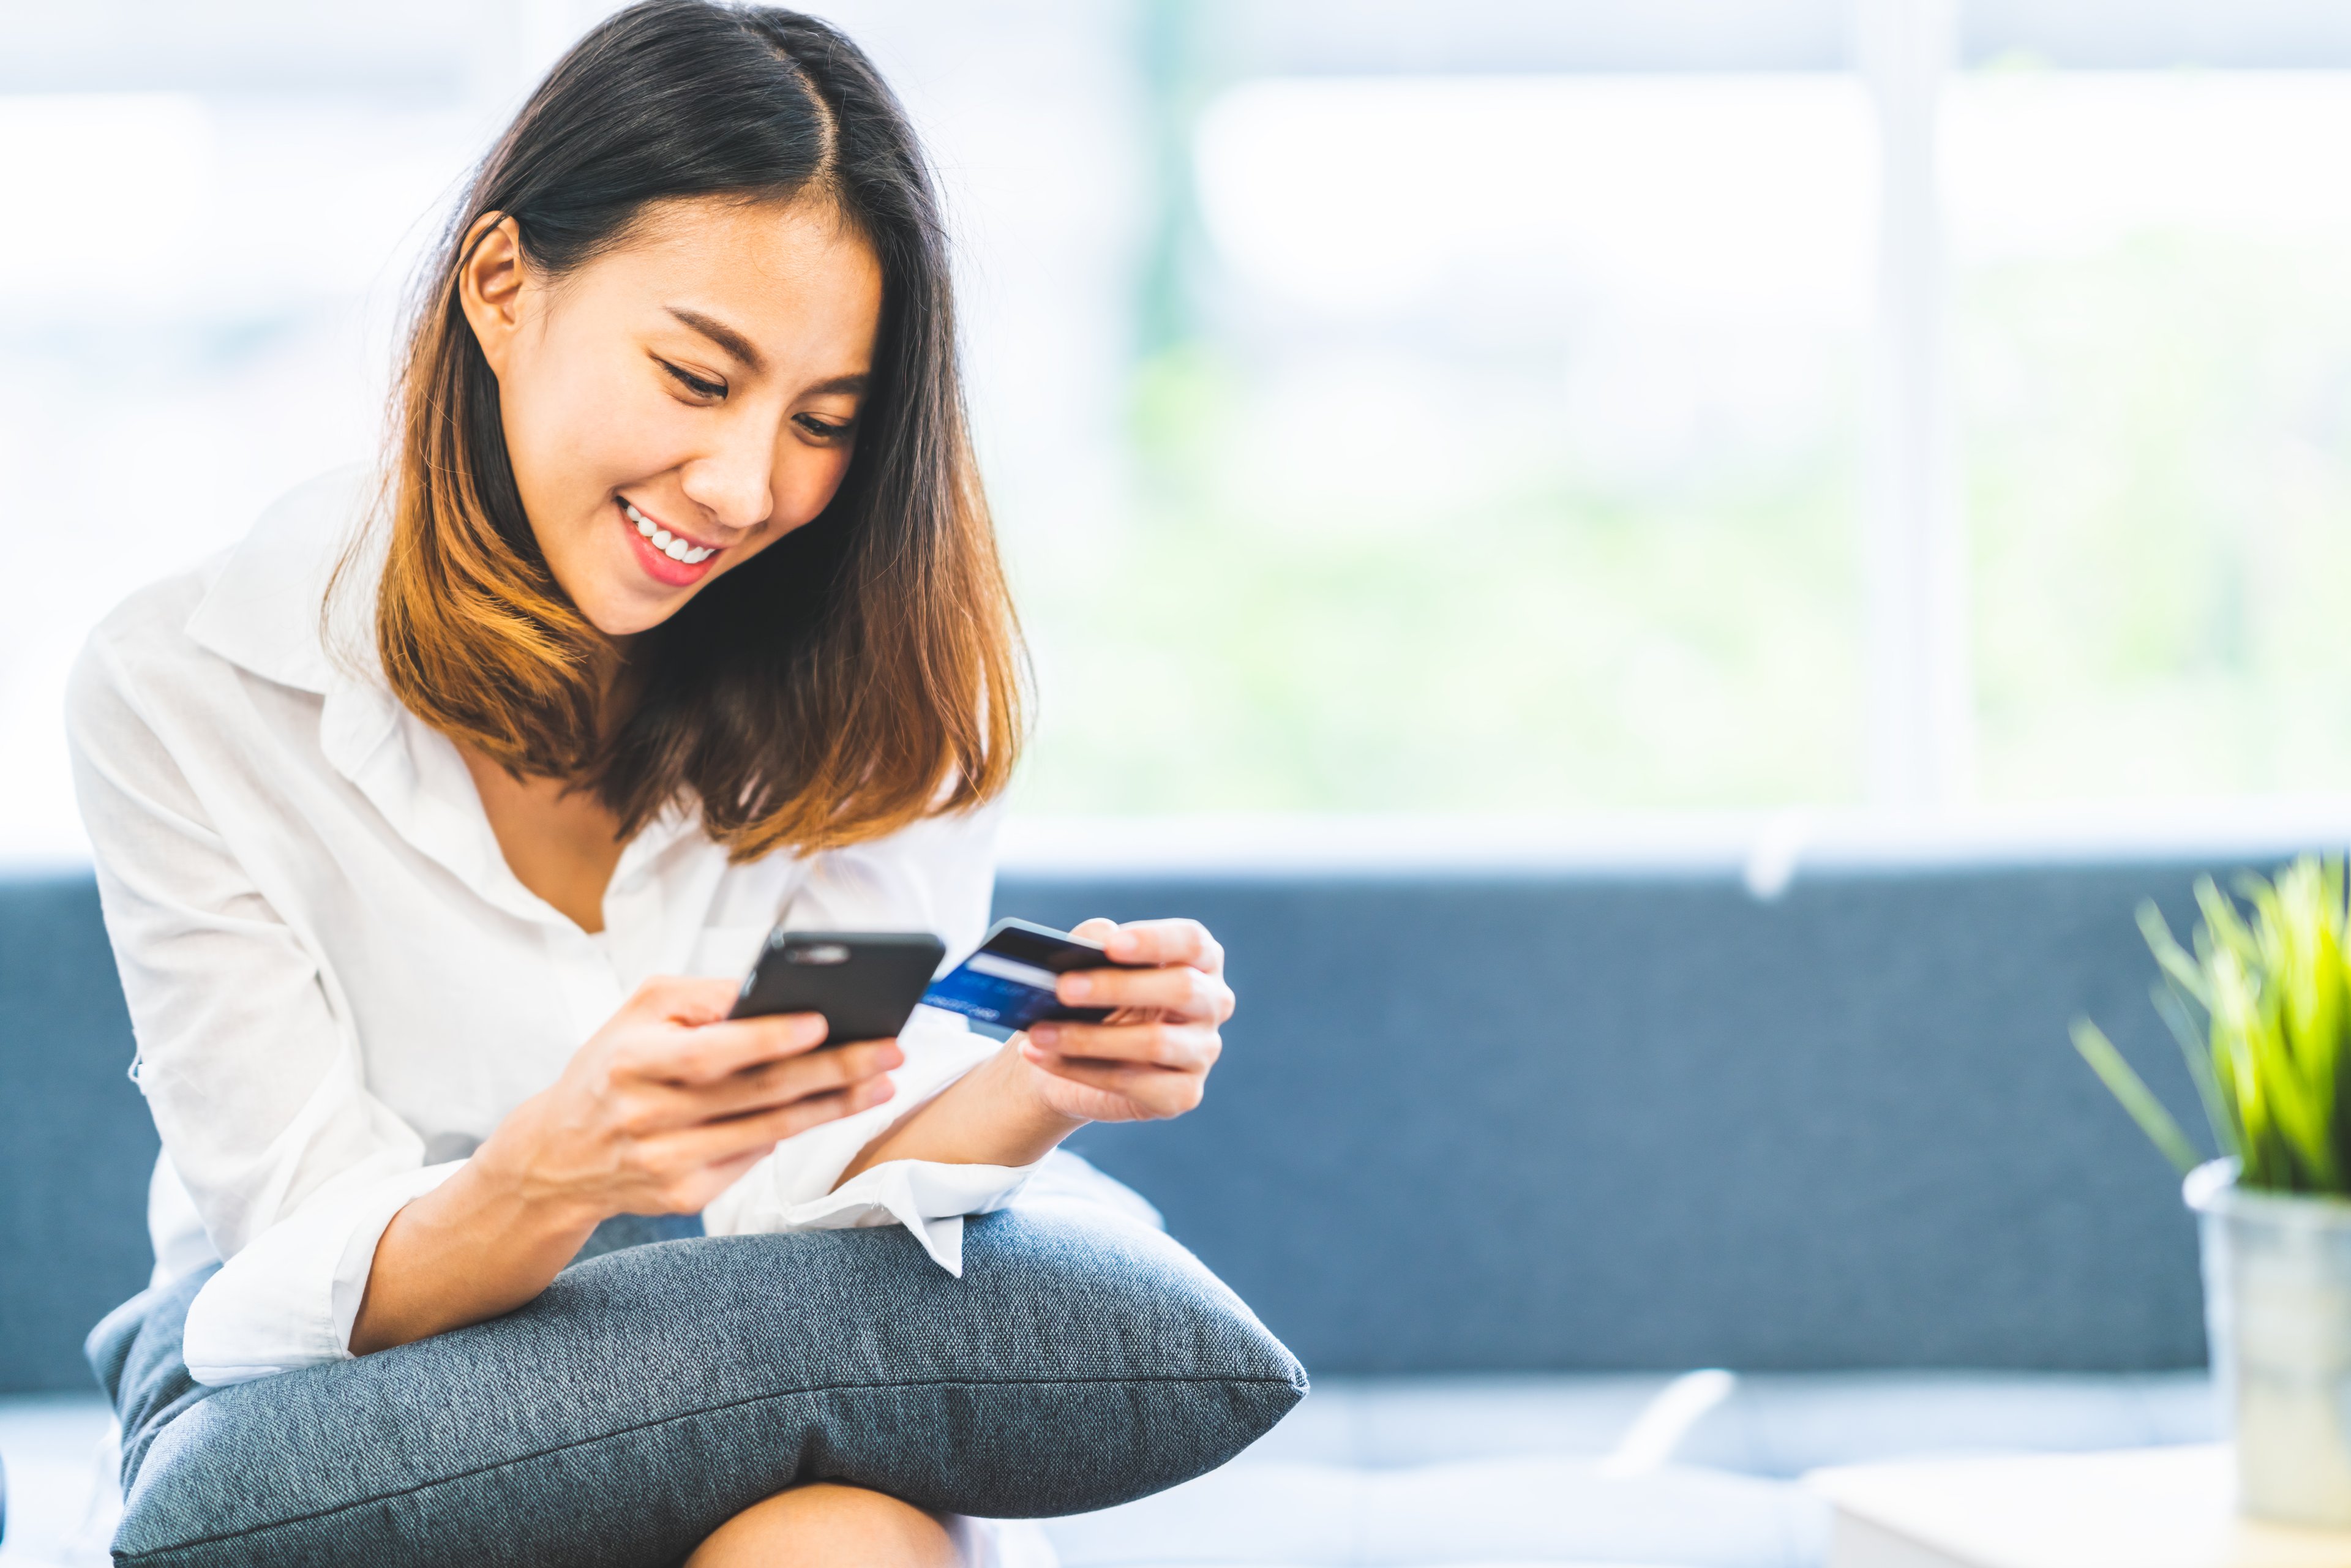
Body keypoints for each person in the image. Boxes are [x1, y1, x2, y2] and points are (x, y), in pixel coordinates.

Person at [66, 4, 1235, 1562]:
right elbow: (291, 1260)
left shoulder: (886, 691)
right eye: (698, 378)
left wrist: (1038, 1086)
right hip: (342, 1355)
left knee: (836, 1537)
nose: (749, 487)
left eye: (826, 422)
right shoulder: (188, 685)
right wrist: (555, 1175)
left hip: (759, 1305)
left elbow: (803, 1191)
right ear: (501, 287)